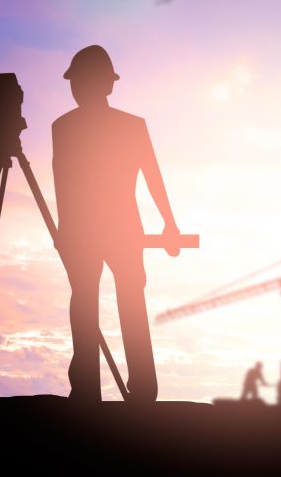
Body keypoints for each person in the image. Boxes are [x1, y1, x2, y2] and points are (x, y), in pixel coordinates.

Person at [52, 45, 180, 403]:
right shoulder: (71, 127)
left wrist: (170, 225)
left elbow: (153, 178)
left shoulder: (73, 127)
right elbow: (63, 181)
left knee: (113, 300)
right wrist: (65, 232)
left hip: (111, 230)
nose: (78, 89)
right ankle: (97, 387)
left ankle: (117, 387)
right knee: (95, 301)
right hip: (99, 230)